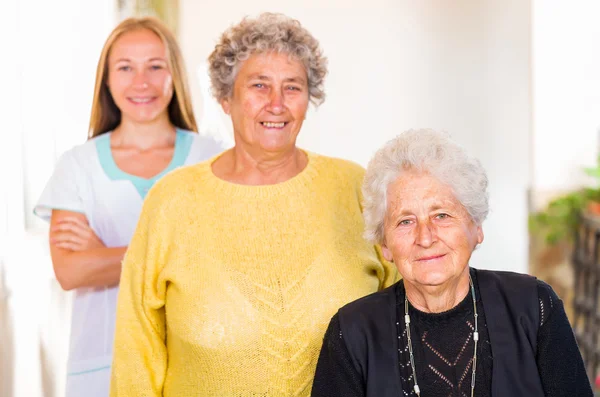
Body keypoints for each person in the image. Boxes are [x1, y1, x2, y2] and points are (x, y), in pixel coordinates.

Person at [109, 12, 397, 397]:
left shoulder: (355, 187)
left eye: (292, 87)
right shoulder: (171, 201)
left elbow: (403, 320)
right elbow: (136, 352)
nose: (276, 104)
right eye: (260, 85)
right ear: (226, 98)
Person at [311, 129, 593, 397]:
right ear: (385, 245)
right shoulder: (351, 333)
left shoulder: (533, 306)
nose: (425, 237)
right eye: (406, 221)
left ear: (476, 227)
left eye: (442, 215)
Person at [34, 17, 224, 397]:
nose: (142, 82)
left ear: (175, 75)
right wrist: (173, 255)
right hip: (100, 366)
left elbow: (219, 263)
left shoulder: (210, 159)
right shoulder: (77, 165)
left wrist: (103, 254)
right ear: (106, 79)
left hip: (191, 364)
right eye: (125, 68)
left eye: (155, 66)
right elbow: (70, 271)